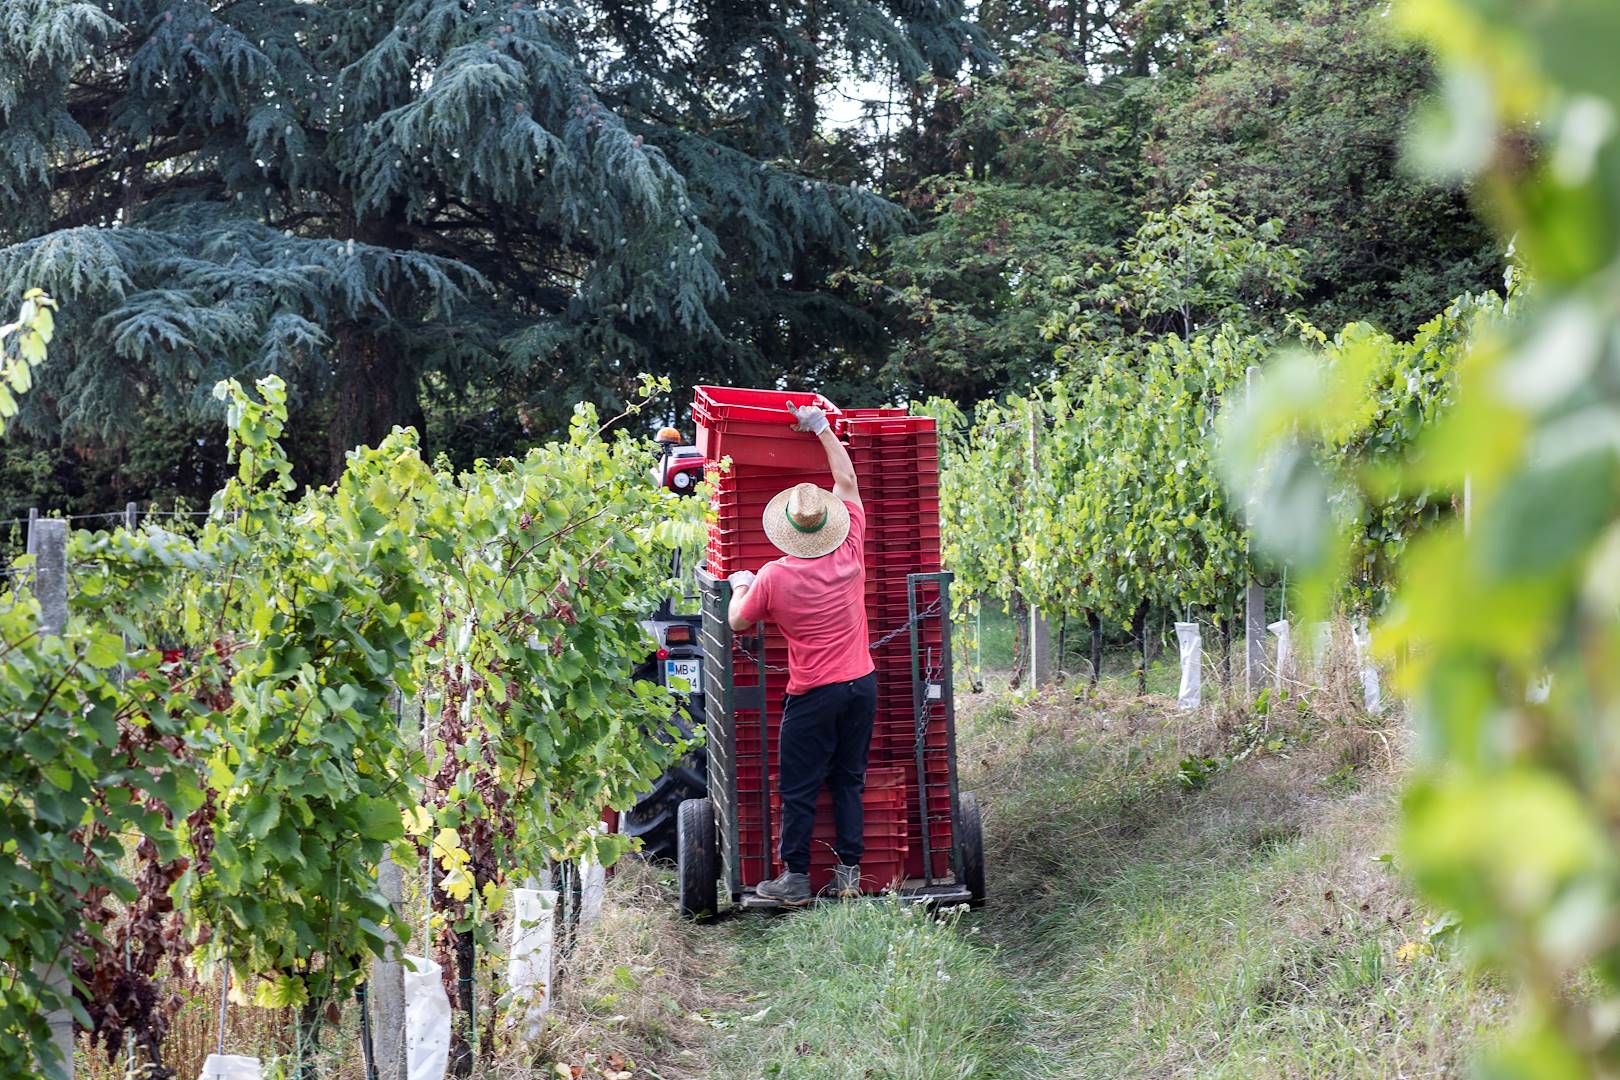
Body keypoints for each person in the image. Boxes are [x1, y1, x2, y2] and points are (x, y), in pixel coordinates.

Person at [725, 402, 873, 905]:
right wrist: (822, 429)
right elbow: (847, 481)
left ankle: (794, 879)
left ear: (788, 528)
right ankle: (849, 876)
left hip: (813, 696)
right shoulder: (850, 549)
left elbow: (738, 621)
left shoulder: (775, 577)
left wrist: (739, 587)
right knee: (849, 781)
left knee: (800, 787)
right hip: (862, 687)